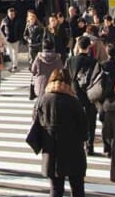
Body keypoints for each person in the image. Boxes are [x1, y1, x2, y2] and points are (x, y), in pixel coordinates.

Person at [34, 68, 88, 197]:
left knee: (56, 189)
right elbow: (84, 129)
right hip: (73, 149)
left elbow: (37, 124)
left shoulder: (43, 100)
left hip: (51, 149)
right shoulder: (73, 102)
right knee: (77, 187)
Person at [67, 36, 100, 156]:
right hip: (90, 94)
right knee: (91, 122)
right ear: (88, 47)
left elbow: (67, 77)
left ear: (78, 46)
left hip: (75, 95)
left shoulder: (70, 61)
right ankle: (89, 146)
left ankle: (77, 145)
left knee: (75, 122)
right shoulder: (94, 61)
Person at [31, 38, 64, 102]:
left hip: (40, 86)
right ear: (53, 47)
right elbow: (61, 71)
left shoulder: (39, 57)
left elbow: (33, 70)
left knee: (40, 104)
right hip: (53, 86)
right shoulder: (57, 58)